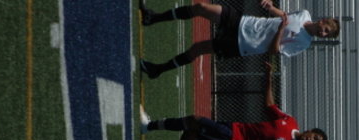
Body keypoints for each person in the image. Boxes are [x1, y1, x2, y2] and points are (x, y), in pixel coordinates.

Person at [140, 62, 327, 140]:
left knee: (194, 120)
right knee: (190, 135)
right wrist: (268, 76)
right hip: (236, 128)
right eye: (314, 138)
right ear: (311, 130)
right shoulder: (290, 121)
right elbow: (270, 105)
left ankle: (148, 126)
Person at [139, 0, 340, 79]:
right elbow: (285, 16)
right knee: (201, 7)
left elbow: (274, 51)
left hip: (244, 44)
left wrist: (280, 31)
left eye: (326, 35)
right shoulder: (304, 14)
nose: (323, 34)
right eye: (325, 30)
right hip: (246, 22)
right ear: (323, 21)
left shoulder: (303, 44)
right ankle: (153, 18)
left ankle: (158, 70)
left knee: (197, 48)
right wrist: (271, 7)